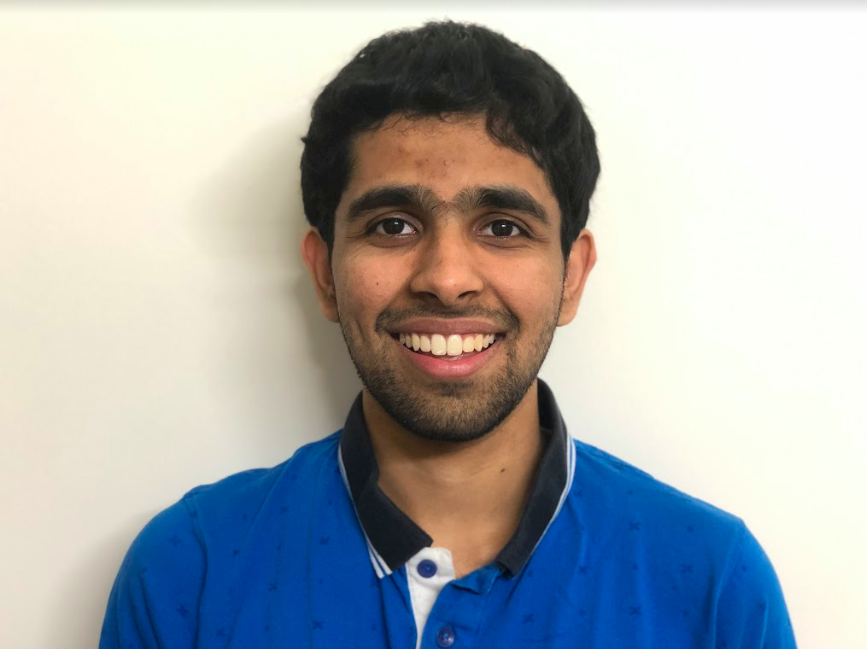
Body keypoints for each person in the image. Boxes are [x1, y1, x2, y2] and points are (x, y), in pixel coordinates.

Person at [100, 21, 796, 648]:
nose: (447, 278)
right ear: (324, 274)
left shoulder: (711, 580)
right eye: (392, 225)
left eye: (503, 227)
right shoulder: (189, 568)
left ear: (572, 277)